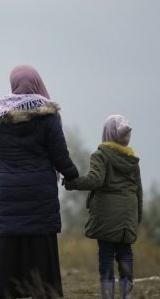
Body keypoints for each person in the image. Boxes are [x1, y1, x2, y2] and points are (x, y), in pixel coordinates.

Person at [0, 64, 79, 299]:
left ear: (13, 84)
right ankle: (43, 291)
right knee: (40, 242)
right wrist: (72, 175)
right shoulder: (48, 115)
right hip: (40, 193)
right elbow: (59, 154)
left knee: (11, 242)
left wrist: (6, 153)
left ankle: (9, 291)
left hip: (9, 193)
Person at [64, 115, 142, 299]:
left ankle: (108, 296)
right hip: (128, 213)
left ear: (107, 133)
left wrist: (73, 182)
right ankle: (126, 296)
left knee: (106, 254)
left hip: (107, 214)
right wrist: (137, 217)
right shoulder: (132, 159)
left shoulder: (101, 155)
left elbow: (95, 180)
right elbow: (139, 191)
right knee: (125, 253)